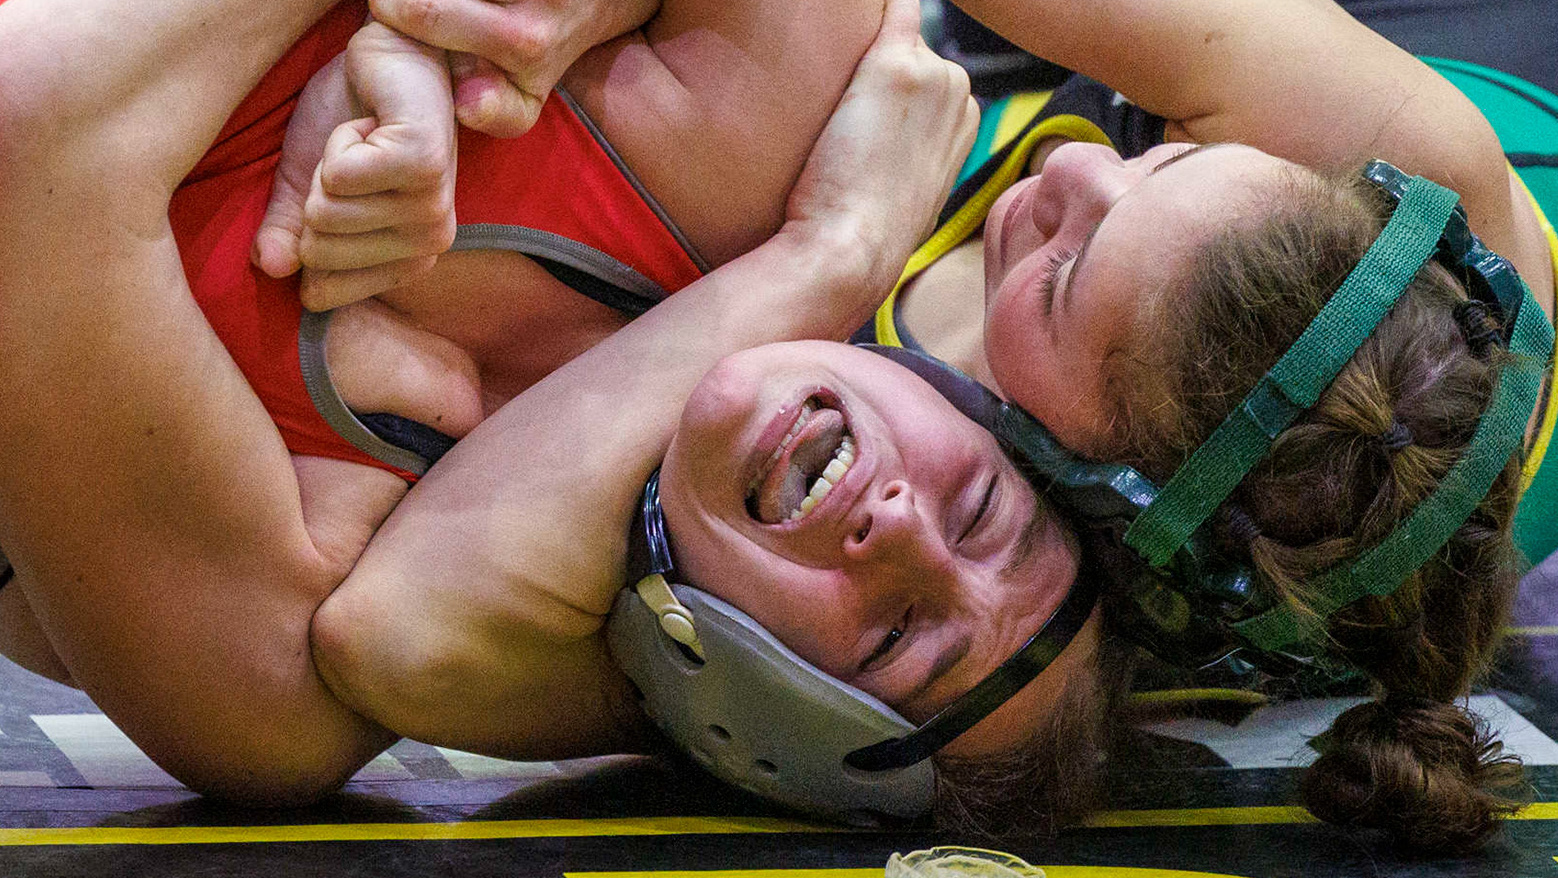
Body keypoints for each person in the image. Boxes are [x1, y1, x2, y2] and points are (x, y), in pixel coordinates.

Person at [309, 0, 1556, 852]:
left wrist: (833, 250)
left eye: (1059, 279)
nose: (1070, 170)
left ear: (1081, 480)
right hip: (1458, 67)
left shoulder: (1005, 606)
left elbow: (401, 634)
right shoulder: (1399, 171)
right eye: (1160, 156)